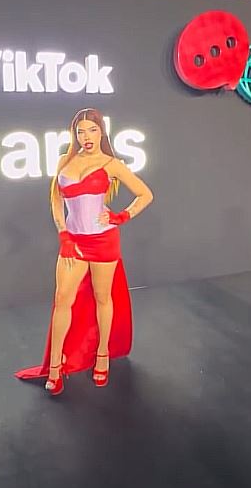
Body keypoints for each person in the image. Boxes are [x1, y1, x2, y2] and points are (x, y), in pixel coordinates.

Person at [15, 108, 154, 395]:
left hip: (103, 240)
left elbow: (145, 194)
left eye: (92, 130)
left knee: (103, 298)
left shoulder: (112, 164)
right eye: (81, 131)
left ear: (101, 131)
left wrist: (121, 216)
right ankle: (55, 366)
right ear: (74, 134)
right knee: (62, 300)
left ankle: (102, 355)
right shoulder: (65, 161)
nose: (86, 136)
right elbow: (56, 200)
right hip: (74, 242)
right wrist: (63, 233)